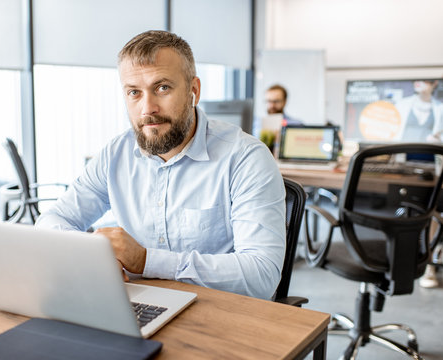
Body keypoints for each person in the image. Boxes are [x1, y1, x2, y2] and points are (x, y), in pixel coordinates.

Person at [35, 30, 286, 300]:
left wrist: (146, 261)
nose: (147, 108)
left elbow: (262, 275)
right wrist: (91, 253)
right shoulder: (115, 154)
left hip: (220, 315)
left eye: (162, 88)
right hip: (136, 304)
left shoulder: (245, 158)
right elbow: (52, 220)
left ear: (194, 91)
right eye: (134, 92)